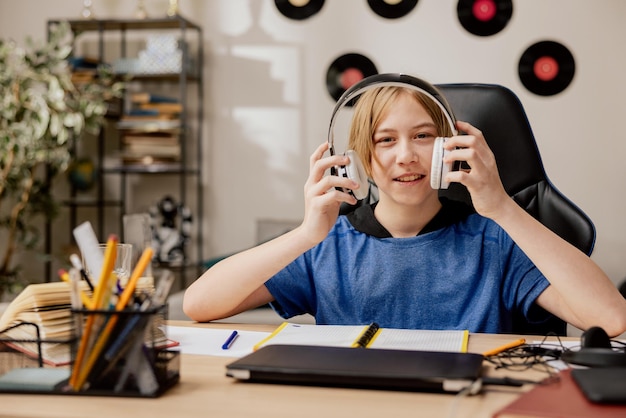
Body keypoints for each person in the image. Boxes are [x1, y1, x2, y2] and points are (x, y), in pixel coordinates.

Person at [183, 74, 626, 336]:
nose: (406, 155)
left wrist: (502, 207)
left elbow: (610, 317)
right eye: (385, 141)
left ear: (451, 149)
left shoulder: (495, 238)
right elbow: (199, 305)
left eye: (423, 136)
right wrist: (305, 234)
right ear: (358, 161)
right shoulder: (327, 244)